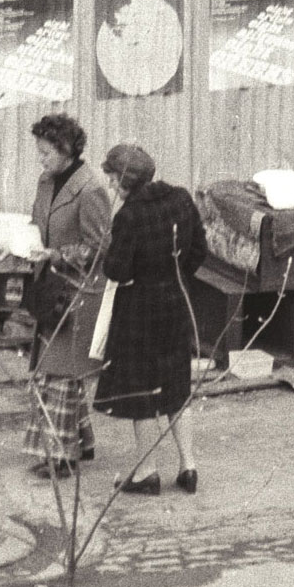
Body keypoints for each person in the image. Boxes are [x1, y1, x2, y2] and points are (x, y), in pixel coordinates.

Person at [92, 144, 208, 495]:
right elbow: (200, 250)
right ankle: (188, 466)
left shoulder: (128, 216)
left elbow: (116, 269)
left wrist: (110, 251)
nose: (110, 186)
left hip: (138, 312)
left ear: (123, 180)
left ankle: (147, 472)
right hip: (176, 304)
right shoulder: (182, 199)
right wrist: (176, 278)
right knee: (177, 387)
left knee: (142, 392)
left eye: (112, 179)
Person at [22, 114, 111, 478]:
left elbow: (101, 246)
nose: (41, 159)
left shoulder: (90, 189)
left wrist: (56, 255)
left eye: (46, 153)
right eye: (39, 152)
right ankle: (81, 443)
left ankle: (62, 457)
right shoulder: (47, 181)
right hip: (51, 286)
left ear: (66, 150)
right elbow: (37, 227)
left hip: (79, 291)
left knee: (57, 372)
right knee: (58, 371)